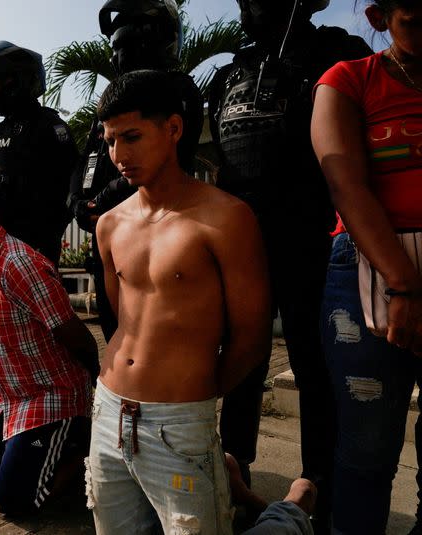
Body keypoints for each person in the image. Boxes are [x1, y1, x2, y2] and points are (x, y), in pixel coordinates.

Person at [207, 0, 373, 515]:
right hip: (243, 240)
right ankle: (233, 469)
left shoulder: (337, 51)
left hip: (312, 234)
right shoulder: (230, 69)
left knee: (312, 360)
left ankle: (317, 483)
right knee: (241, 357)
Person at [88, 70, 271, 534]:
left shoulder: (225, 218)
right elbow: (122, 317)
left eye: (132, 137)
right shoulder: (109, 224)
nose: (119, 155)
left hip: (179, 422)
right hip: (108, 411)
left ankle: (291, 507)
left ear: (173, 128)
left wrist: (193, 397)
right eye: (110, 141)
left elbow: (252, 334)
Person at [310, 1, 422, 532]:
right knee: (367, 442)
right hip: (366, 268)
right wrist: (403, 283)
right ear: (381, 18)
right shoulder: (347, 80)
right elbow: (344, 184)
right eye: (414, 21)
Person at [0, 170, 99, 516]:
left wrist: (93, 386)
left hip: (52, 396)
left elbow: (74, 333)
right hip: (13, 396)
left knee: (14, 499)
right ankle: (42, 450)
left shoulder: (18, 263)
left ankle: (84, 455)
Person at [68, 0, 204, 341]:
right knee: (116, 335)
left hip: (153, 236)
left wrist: (106, 198)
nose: (118, 57)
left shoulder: (177, 88)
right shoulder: (112, 98)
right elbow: (86, 158)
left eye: (129, 46)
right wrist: (76, 201)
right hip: (105, 234)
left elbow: (167, 163)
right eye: (115, 48)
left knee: (155, 337)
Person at [0, 41, 78, 265]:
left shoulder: (49, 125)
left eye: (1, 83)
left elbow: (71, 184)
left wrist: (47, 233)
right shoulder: (1, 131)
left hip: (34, 248)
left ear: (24, 79)